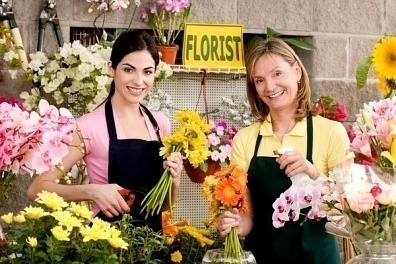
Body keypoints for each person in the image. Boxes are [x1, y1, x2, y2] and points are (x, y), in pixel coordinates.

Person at [27, 30, 183, 232]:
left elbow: (164, 206)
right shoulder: (89, 126)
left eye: (147, 72)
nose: (138, 81)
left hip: (151, 247)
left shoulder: (160, 124)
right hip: (106, 247)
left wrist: (175, 180)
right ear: (111, 68)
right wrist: (93, 192)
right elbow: (36, 189)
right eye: (128, 70)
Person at [217, 37, 354, 264]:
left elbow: (348, 210)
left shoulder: (331, 132)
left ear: (297, 71)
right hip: (263, 257)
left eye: (277, 74)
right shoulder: (245, 140)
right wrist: (238, 224)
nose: (270, 87)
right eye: (260, 80)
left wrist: (313, 173)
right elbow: (247, 216)